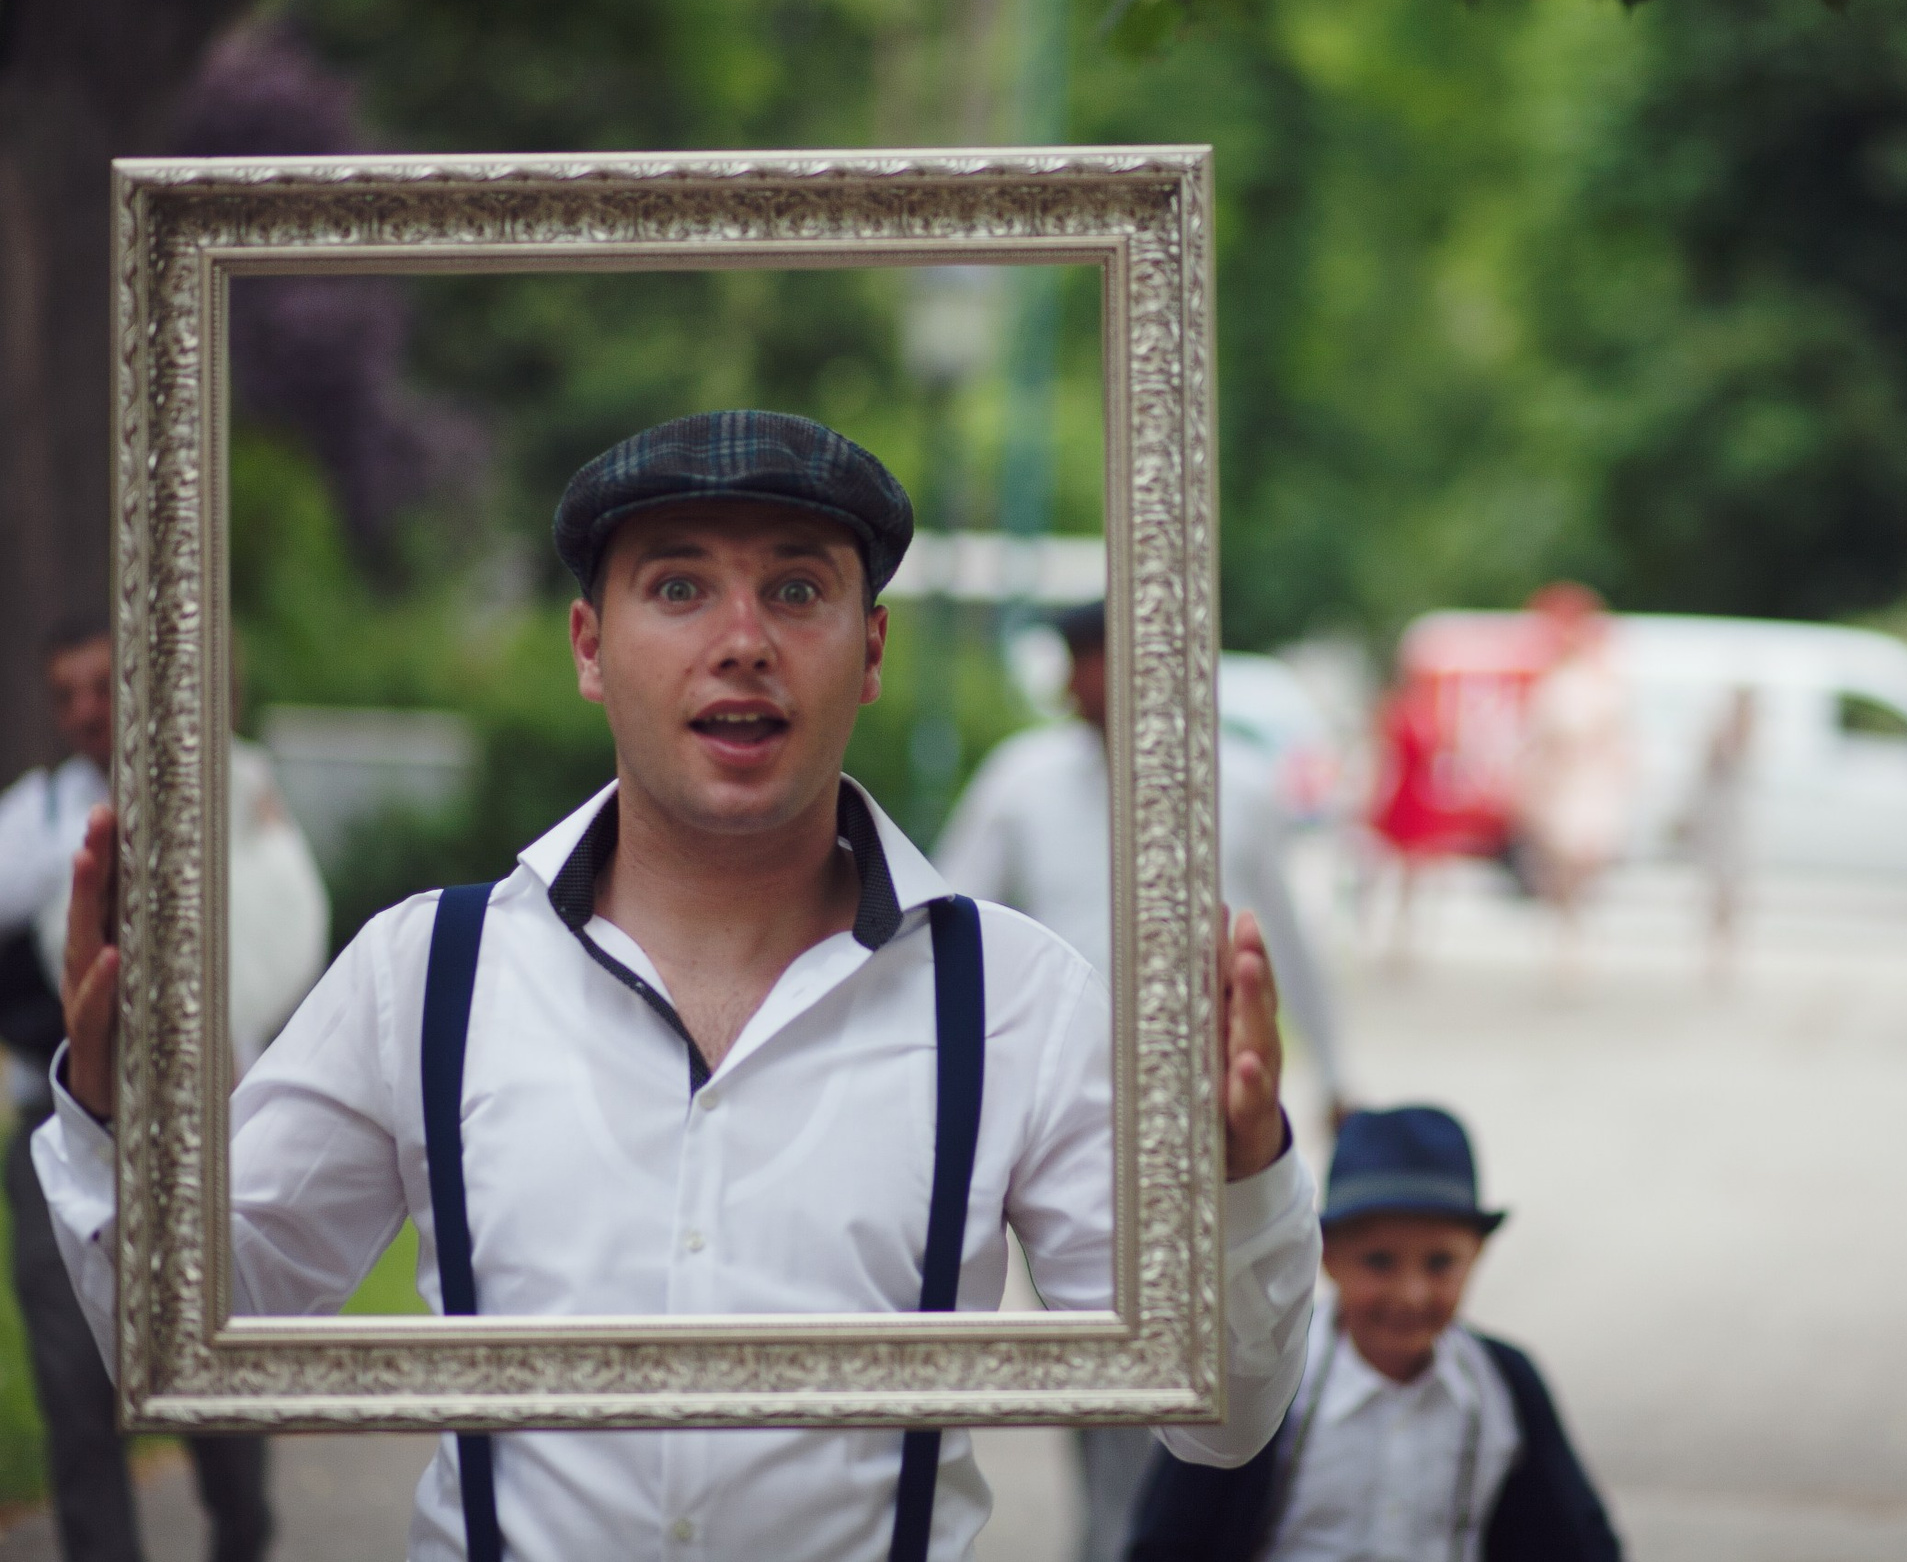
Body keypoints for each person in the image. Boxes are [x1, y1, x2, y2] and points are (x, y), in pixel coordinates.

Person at [36, 411, 1319, 1562]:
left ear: (869, 652)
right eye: (680, 587)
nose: (743, 641)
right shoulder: (422, 975)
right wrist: (116, 1119)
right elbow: (187, 1343)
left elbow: (1216, 1416)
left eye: (798, 589)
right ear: (591, 647)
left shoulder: (1017, 999)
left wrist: (1237, 1179)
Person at [936, 601, 1352, 1562]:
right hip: (1065, 1120)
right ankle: (1116, 1540)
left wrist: (1341, 1070)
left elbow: (1288, 939)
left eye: (1106, 659)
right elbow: (946, 917)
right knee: (1101, 1359)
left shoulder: (1234, 789)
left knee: (1217, 1345)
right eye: (1080, 661)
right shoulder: (1023, 782)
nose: (1090, 682)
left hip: (1196, 1113)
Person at [0, 619, 278, 1562]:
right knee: (75, 1386)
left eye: (101, 687)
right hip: (61, 1120)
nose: (83, 710)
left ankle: (242, 1536)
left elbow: (280, 924)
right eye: (64, 694)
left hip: (209, 1126)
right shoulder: (38, 816)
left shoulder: (234, 781)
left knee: (214, 1377)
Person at [1125, 1105, 1622, 1562]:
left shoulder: (1503, 1387)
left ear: (1476, 1256)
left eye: (1440, 1263)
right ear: (1327, 1257)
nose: (1411, 1295)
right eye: (1379, 1262)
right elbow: (1168, 1542)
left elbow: (1578, 1542)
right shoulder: (1259, 1377)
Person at [1512, 585, 1632, 928]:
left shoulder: (1604, 682)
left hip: (1589, 781)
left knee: (1584, 856)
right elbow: (1541, 737)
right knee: (1561, 855)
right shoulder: (1557, 684)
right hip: (1563, 780)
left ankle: (1572, 919)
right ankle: (1564, 923)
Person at [1684, 686, 1756, 950]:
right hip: (1722, 813)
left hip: (1732, 814)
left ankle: (1724, 938)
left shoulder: (1746, 735)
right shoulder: (1724, 736)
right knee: (1721, 876)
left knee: (1729, 878)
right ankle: (1719, 938)